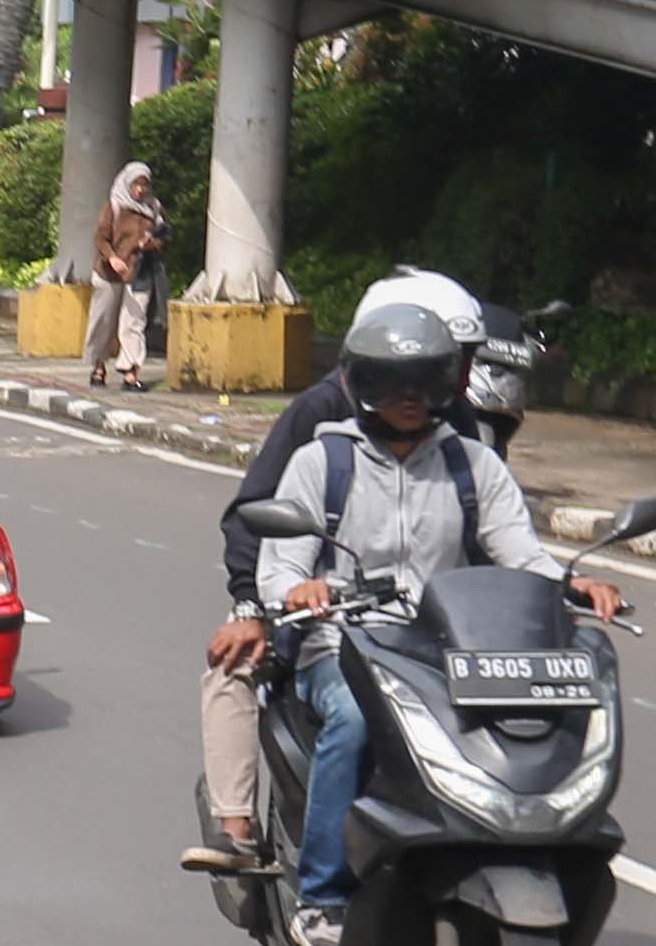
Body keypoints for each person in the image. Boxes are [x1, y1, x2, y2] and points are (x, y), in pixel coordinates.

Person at [195, 285, 622, 946]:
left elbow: (520, 552)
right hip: (340, 644)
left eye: (423, 379)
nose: (408, 395)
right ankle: (323, 899)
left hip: (440, 648)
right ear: (362, 380)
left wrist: (574, 583)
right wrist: (299, 590)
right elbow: (277, 566)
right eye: (392, 380)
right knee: (355, 721)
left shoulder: (470, 463)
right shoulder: (321, 459)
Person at [184, 269, 483, 872]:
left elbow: (492, 532)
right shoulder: (321, 417)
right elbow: (253, 515)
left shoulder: (456, 429)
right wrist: (258, 608)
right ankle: (239, 831)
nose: (456, 380)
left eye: (453, 365)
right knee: (231, 666)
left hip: (430, 628)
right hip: (321, 617)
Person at [82, 161, 166, 389]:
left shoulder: (154, 209)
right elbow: (100, 237)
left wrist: (149, 243)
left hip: (139, 272)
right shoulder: (114, 206)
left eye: (144, 185)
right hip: (109, 272)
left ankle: (131, 373)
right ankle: (98, 367)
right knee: (103, 321)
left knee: (134, 323)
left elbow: (163, 239)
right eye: (136, 185)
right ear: (127, 183)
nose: (140, 190)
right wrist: (112, 257)